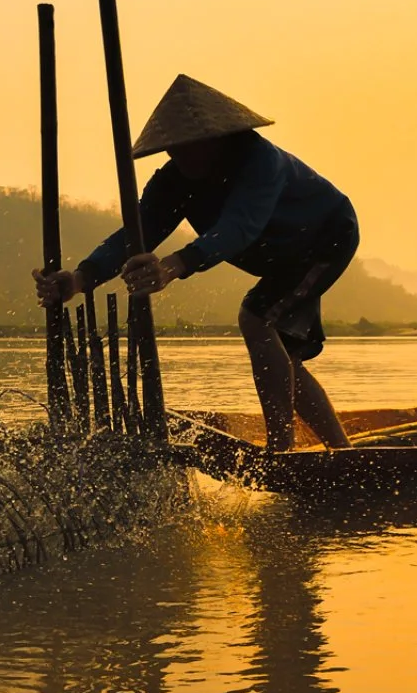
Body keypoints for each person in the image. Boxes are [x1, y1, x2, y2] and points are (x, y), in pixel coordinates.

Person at [34, 74, 358, 452]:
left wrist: (172, 267)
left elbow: (239, 227)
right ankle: (343, 451)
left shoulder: (260, 162)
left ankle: (280, 449)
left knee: (256, 317)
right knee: (285, 353)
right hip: (278, 257)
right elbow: (137, 233)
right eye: (172, 149)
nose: (179, 157)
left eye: (188, 147)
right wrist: (79, 278)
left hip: (325, 238)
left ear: (217, 138)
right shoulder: (173, 182)